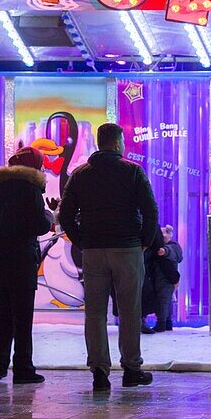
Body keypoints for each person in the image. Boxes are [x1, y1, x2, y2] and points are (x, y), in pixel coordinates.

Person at [58, 123, 159, 392]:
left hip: (93, 251)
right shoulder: (133, 172)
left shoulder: (80, 175)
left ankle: (100, 373)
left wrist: (82, 240)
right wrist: (143, 244)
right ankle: (131, 369)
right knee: (129, 311)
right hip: (127, 249)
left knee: (95, 313)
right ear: (117, 143)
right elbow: (150, 211)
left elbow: (65, 215)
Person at [0, 146, 54, 385]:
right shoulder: (30, 189)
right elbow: (39, 225)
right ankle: (23, 368)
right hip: (20, 260)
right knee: (22, 316)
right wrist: (50, 215)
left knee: (5, 312)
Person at [143, 225, 182, 333]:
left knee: (163, 301)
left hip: (166, 279)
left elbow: (177, 255)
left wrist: (165, 251)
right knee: (165, 301)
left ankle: (161, 323)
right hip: (162, 279)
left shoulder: (172, 246)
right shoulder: (158, 247)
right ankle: (167, 322)